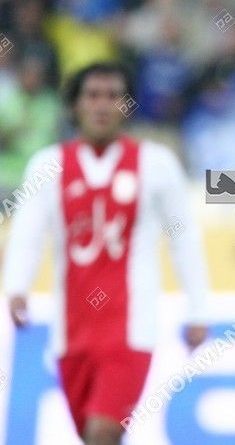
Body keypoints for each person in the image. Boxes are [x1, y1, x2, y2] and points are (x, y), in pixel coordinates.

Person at [2, 62, 210, 445]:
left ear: (127, 105)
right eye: (92, 96)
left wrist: (197, 309)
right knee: (91, 435)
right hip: (70, 334)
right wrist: (16, 287)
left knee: (103, 432)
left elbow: (183, 238)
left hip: (130, 331)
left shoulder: (156, 164)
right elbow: (27, 233)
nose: (102, 105)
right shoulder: (48, 165)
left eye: (113, 96)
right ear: (75, 106)